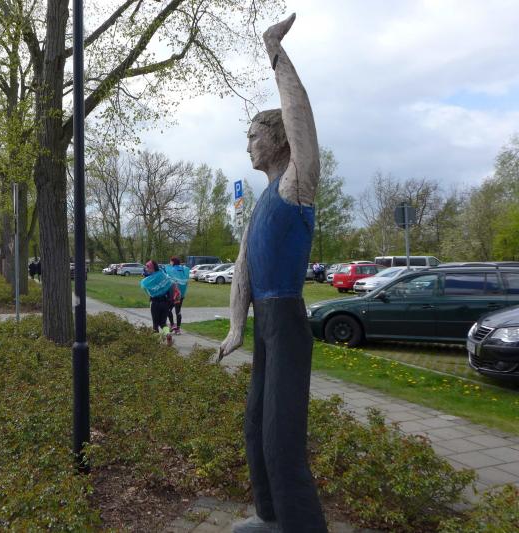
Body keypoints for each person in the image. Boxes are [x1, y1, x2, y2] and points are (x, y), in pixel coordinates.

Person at [218, 13, 328, 533]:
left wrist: (274, 52)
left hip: (285, 321)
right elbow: (242, 270)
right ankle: (269, 517)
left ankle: (302, 526)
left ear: (280, 140)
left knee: (282, 439)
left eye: (254, 136)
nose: (248, 145)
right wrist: (234, 327)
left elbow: (300, 116)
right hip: (264, 324)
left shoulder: (296, 184)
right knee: (255, 428)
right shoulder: (261, 202)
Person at [143, 260, 173, 346]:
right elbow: (170, 285)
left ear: (152, 268)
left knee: (155, 324)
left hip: (155, 303)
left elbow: (147, 290)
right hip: (165, 302)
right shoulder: (163, 275)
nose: (146, 269)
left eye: (147, 267)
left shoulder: (148, 280)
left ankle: (155, 343)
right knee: (163, 323)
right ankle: (168, 334)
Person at [167, 256, 187, 334]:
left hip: (174, 294)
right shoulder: (183, 270)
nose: (170, 263)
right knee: (178, 311)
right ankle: (178, 329)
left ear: (173, 262)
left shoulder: (172, 270)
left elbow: (168, 280)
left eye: (170, 261)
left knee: (168, 310)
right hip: (181, 294)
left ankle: (172, 325)